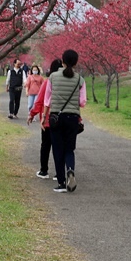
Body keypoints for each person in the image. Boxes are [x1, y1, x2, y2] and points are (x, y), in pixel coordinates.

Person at [43, 49, 86, 192]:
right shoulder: (80, 79)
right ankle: (71, 170)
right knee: (69, 149)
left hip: (56, 117)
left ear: (62, 61)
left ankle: (61, 183)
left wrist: (44, 116)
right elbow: (82, 102)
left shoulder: (53, 76)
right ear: (76, 62)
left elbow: (47, 99)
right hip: (72, 118)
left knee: (57, 149)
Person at [28, 59, 62, 179]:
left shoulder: (48, 82)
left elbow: (40, 101)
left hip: (47, 120)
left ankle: (44, 170)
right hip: (61, 119)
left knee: (46, 146)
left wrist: (32, 114)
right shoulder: (65, 83)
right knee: (59, 147)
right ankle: (59, 173)